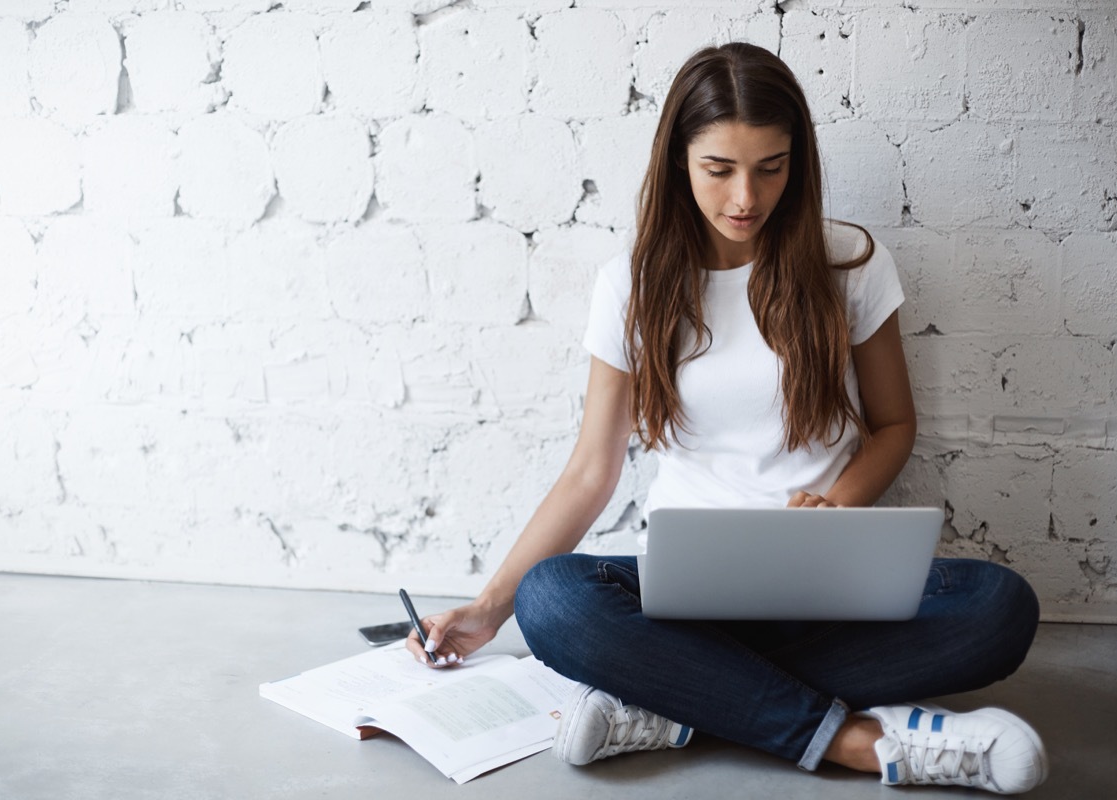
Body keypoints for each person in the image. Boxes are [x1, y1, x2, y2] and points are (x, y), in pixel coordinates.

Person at [405, 42, 1047, 795]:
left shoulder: (851, 263)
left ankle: (671, 704)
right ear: (679, 160)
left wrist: (834, 511)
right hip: (685, 598)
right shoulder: (631, 285)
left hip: (824, 584)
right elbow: (590, 471)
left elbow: (894, 425)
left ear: (797, 163)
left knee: (1001, 608)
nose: (747, 196)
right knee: (552, 600)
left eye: (771, 167)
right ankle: (856, 742)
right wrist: (489, 610)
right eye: (720, 169)